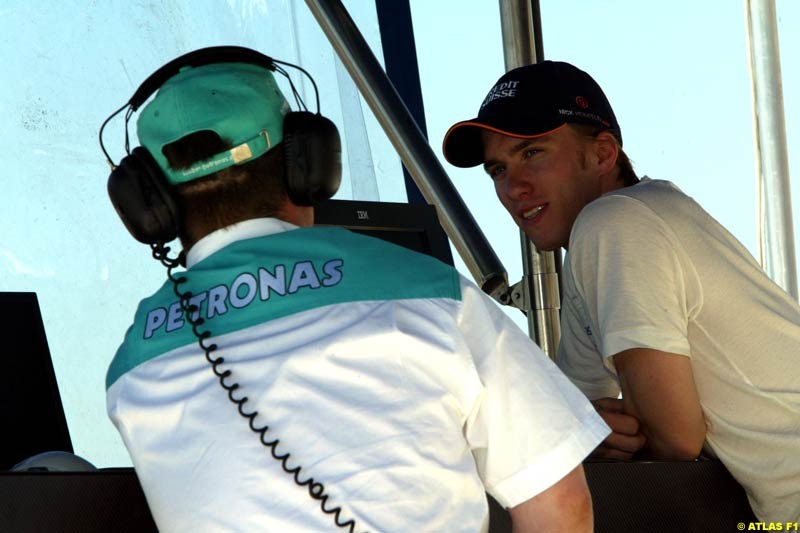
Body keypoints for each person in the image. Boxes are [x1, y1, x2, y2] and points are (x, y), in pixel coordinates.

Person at [104, 47, 610, 532]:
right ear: (306, 162)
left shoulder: (132, 370)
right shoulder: (428, 291)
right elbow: (560, 506)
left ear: (148, 203)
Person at [442, 60, 800, 522]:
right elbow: (571, 419)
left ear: (603, 154)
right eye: (497, 170)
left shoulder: (615, 223)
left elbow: (673, 436)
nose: (513, 187)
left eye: (533, 153)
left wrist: (591, 427)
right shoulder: (603, 240)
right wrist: (589, 426)